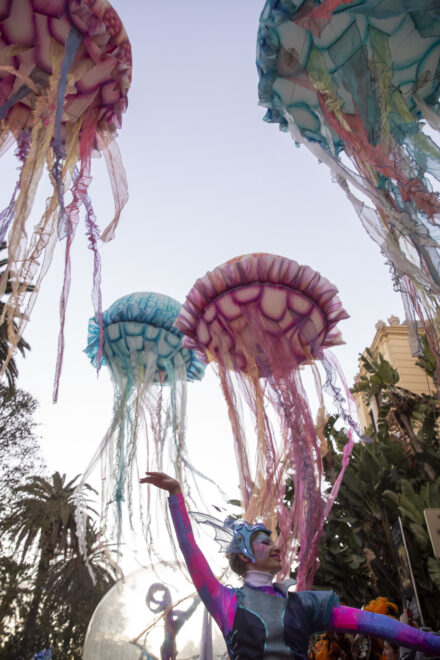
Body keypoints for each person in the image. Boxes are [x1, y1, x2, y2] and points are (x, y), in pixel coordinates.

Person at [140, 472, 440, 659]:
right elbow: (190, 552)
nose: (276, 546)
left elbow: (373, 623)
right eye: (264, 543)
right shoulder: (226, 602)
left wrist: (430, 642)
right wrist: (176, 497)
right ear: (245, 556)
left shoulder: (303, 605)